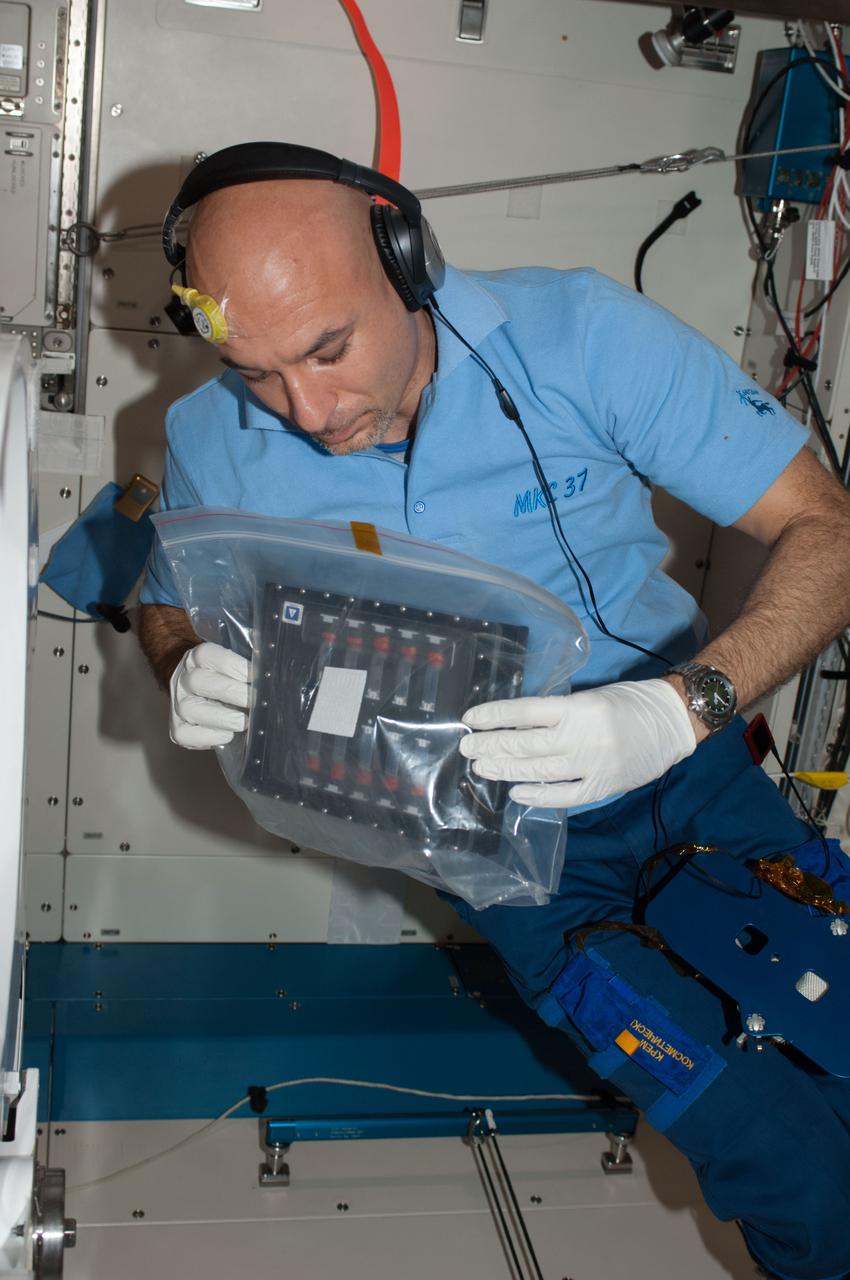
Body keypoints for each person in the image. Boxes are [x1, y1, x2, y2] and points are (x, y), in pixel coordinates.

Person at [139, 144, 850, 1280]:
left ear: (405, 257)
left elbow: (827, 531)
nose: (308, 410)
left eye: (327, 349)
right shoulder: (208, 437)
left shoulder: (582, 339)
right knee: (776, 1158)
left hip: (691, 768)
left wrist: (676, 710)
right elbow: (167, 592)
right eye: (257, 371)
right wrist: (182, 660)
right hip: (503, 855)